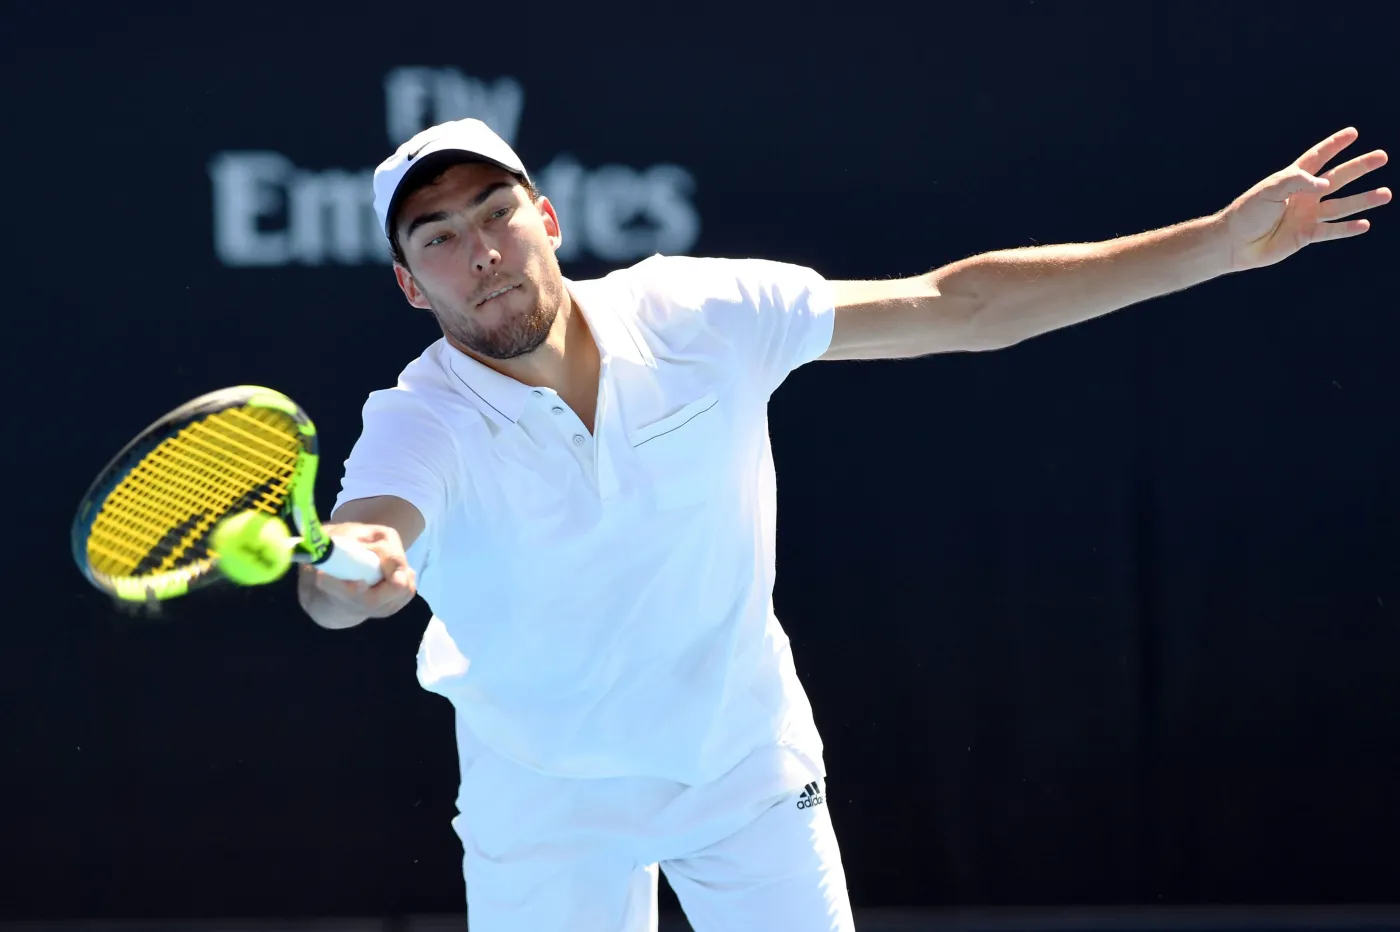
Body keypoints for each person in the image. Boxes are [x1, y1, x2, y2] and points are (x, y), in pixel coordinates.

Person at [296, 118, 1388, 931]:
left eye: (495, 212)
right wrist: (356, 574)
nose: (478, 249)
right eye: (438, 237)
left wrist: (1212, 243)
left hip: (743, 771)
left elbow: (958, 307)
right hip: (541, 802)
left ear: (546, 218)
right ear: (407, 283)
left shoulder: (695, 311)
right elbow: (358, 553)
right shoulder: (415, 421)